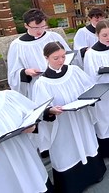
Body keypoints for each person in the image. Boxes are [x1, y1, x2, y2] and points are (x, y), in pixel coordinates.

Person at [32, 42, 106, 193]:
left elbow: (90, 87)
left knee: (87, 143)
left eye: (63, 56)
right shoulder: (42, 83)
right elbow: (40, 111)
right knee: (66, 151)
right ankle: (73, 185)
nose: (61, 61)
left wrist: (90, 98)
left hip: (81, 118)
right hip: (62, 125)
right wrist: (50, 111)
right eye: (56, 58)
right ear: (46, 58)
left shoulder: (74, 71)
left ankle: (95, 174)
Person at [7, 8, 71, 100]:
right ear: (26, 25)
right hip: (38, 87)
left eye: (43, 26)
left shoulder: (54, 37)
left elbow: (68, 56)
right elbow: (13, 74)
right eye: (36, 28)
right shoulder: (17, 45)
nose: (40, 31)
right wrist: (25, 72)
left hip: (61, 81)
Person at [84, 19, 109, 158]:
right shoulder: (91, 54)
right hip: (103, 94)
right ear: (97, 35)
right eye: (104, 35)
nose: (108, 38)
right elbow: (90, 77)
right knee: (105, 120)